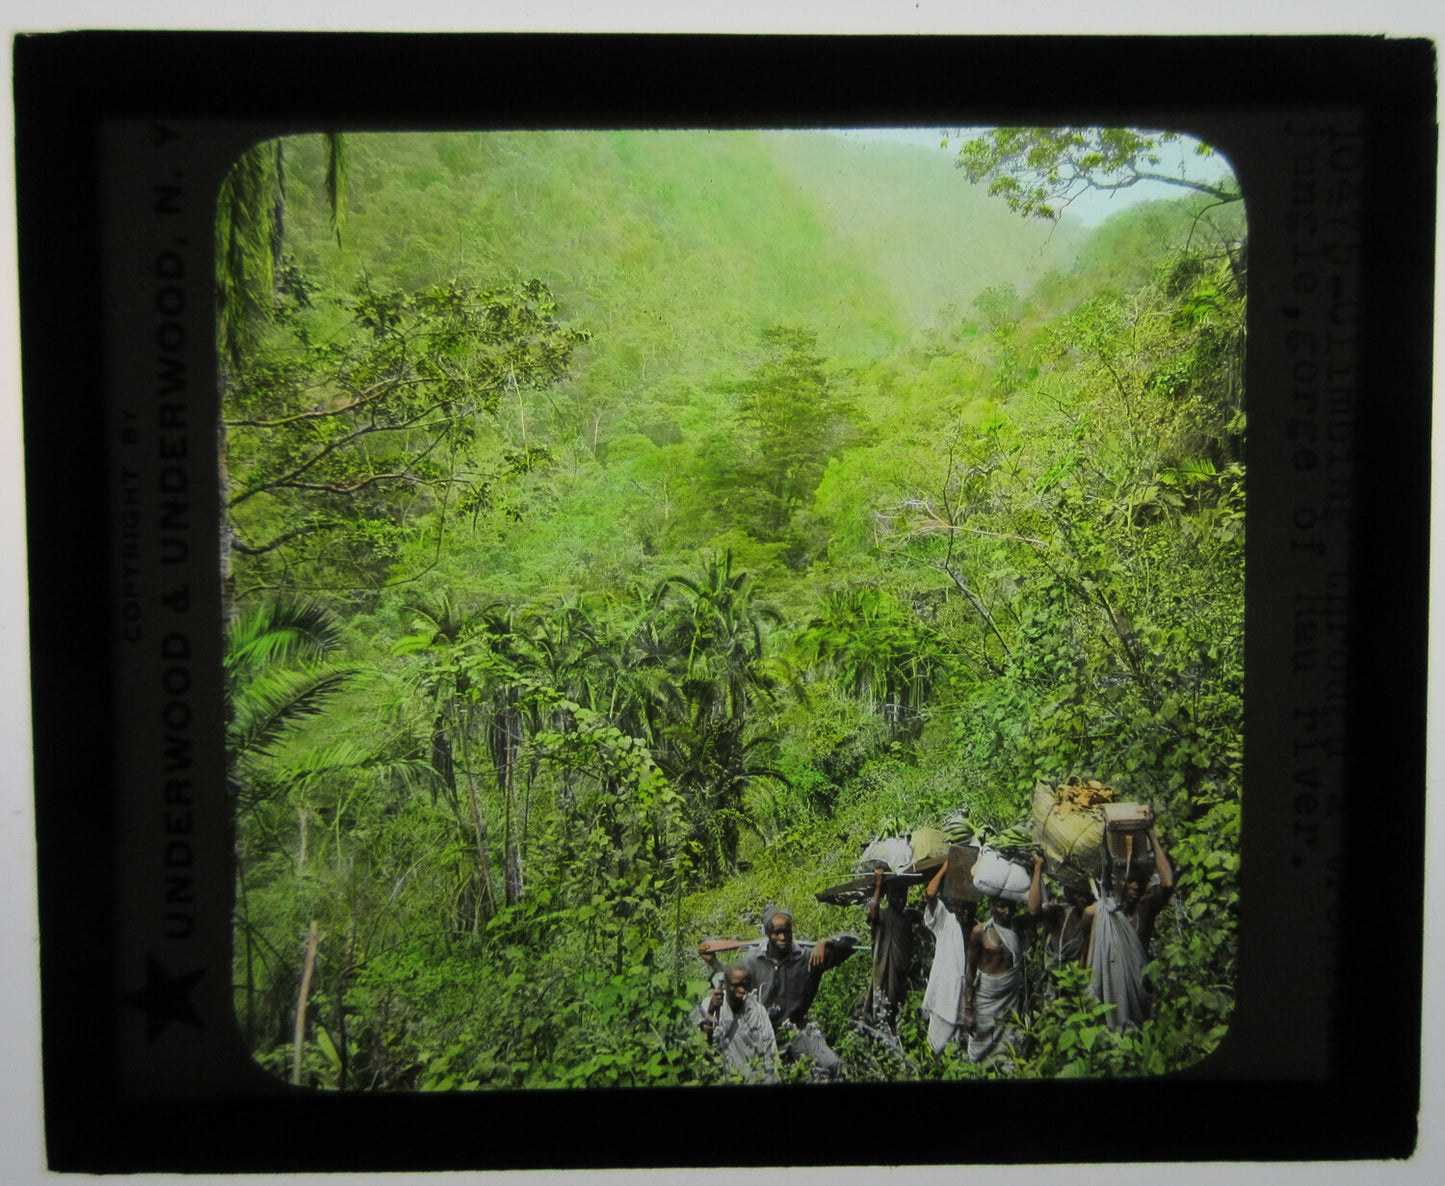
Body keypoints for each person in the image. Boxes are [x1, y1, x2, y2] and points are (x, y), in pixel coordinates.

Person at [703, 907, 858, 1079]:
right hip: (762, 1034)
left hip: (799, 1029)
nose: (783, 937)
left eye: (786, 932)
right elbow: (730, 983)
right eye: (777, 933)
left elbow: (852, 945)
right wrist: (715, 964)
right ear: (768, 934)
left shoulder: (808, 958)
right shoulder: (752, 961)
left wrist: (827, 942)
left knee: (833, 1066)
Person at [1083, 825, 1175, 1030]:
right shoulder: (1095, 914)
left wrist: (1151, 832)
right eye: (1130, 880)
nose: (1135, 887)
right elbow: (1084, 961)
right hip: (1103, 1003)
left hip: (1139, 1001)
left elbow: (1167, 885)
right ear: (1115, 879)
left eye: (1139, 882)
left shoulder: (1145, 909)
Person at [963, 893, 1030, 1066]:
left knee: (1008, 1047)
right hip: (986, 999)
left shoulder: (1018, 926)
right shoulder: (980, 932)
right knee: (978, 1047)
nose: (1007, 912)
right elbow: (970, 969)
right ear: (992, 904)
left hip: (1009, 1000)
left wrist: (1037, 869)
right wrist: (968, 1010)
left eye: (1010, 906)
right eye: (1001, 906)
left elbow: (1036, 910)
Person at [919, 857, 971, 1054]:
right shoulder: (945, 920)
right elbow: (930, 893)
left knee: (958, 1051)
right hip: (944, 995)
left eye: (967, 906)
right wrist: (946, 867)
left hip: (962, 997)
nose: (963, 910)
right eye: (959, 904)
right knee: (936, 1047)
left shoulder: (974, 927)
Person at [695, 963, 779, 1082]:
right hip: (721, 1077)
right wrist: (710, 1012)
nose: (741, 990)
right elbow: (702, 1047)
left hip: (753, 1078)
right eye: (736, 986)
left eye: (745, 986)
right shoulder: (710, 1005)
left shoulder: (757, 1011)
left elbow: (770, 1047)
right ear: (725, 985)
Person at [864, 867, 921, 1030]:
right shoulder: (882, 914)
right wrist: (878, 886)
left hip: (901, 969)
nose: (901, 901)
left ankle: (894, 1028)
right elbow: (873, 913)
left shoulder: (908, 917)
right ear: (889, 897)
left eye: (904, 897)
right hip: (884, 968)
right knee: (882, 1001)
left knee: (897, 1002)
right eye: (896, 897)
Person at [1027, 850, 1094, 970]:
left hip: (1083, 982)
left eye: (1085, 894)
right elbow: (1034, 910)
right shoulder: (1060, 913)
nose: (1083, 899)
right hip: (1058, 982)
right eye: (1078, 894)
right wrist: (1038, 868)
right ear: (1069, 894)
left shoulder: (1096, 917)